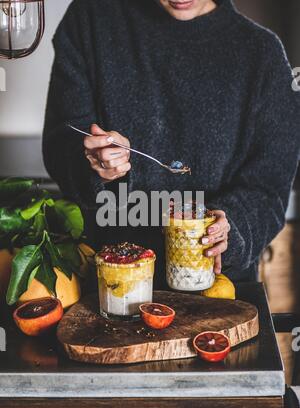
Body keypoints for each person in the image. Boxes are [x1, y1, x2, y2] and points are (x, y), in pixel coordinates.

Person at [43, 0, 300, 288]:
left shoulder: (261, 53)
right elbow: (60, 142)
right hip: (110, 280)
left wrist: (232, 229)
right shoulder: (90, 19)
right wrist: (93, 164)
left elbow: (269, 188)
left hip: (218, 287)